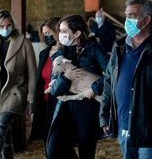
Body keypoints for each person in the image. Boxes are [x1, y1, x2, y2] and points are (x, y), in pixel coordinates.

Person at [46, 14, 109, 159]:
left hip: (87, 106)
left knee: (86, 150)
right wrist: (67, 77)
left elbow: (112, 74)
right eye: (60, 31)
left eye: (64, 31)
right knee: (53, 148)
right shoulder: (59, 53)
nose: (60, 35)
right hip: (63, 107)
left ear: (77, 33)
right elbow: (55, 90)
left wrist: (94, 88)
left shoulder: (94, 49)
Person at [99, 0, 152, 159]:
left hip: (149, 128)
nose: (127, 20)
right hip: (124, 123)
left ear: (147, 19)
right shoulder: (120, 47)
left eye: (132, 15)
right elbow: (109, 81)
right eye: (126, 16)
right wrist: (104, 115)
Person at [0, 9, 37, 159]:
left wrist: (30, 98)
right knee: (5, 134)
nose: (5, 29)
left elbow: (32, 72)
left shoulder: (23, 42)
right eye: (1, 26)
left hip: (14, 92)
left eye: (8, 25)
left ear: (13, 24)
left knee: (0, 129)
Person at [29, 17, 61, 143]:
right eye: (44, 34)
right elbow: (39, 82)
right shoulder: (44, 54)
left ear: (57, 32)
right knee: (47, 139)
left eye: (49, 33)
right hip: (44, 103)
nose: (47, 36)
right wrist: (34, 108)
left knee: (58, 141)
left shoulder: (67, 53)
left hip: (60, 102)